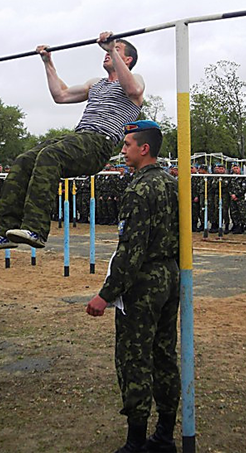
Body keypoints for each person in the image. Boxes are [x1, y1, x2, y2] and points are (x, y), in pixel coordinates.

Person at [0, 31, 144, 252]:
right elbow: (61, 95)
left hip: (99, 143)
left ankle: (35, 229)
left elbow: (133, 89)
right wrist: (48, 62)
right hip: (78, 137)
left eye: (117, 49)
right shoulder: (96, 84)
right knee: (24, 160)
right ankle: (3, 232)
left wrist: (111, 48)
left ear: (127, 59)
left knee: (49, 156)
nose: (106, 53)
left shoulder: (135, 81)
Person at [86, 120, 180, 453]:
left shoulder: (140, 188)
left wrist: (106, 295)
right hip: (170, 274)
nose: (122, 150)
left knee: (134, 358)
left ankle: (136, 441)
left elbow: (131, 250)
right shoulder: (170, 184)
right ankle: (165, 435)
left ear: (144, 149)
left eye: (127, 145)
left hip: (143, 282)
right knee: (164, 355)